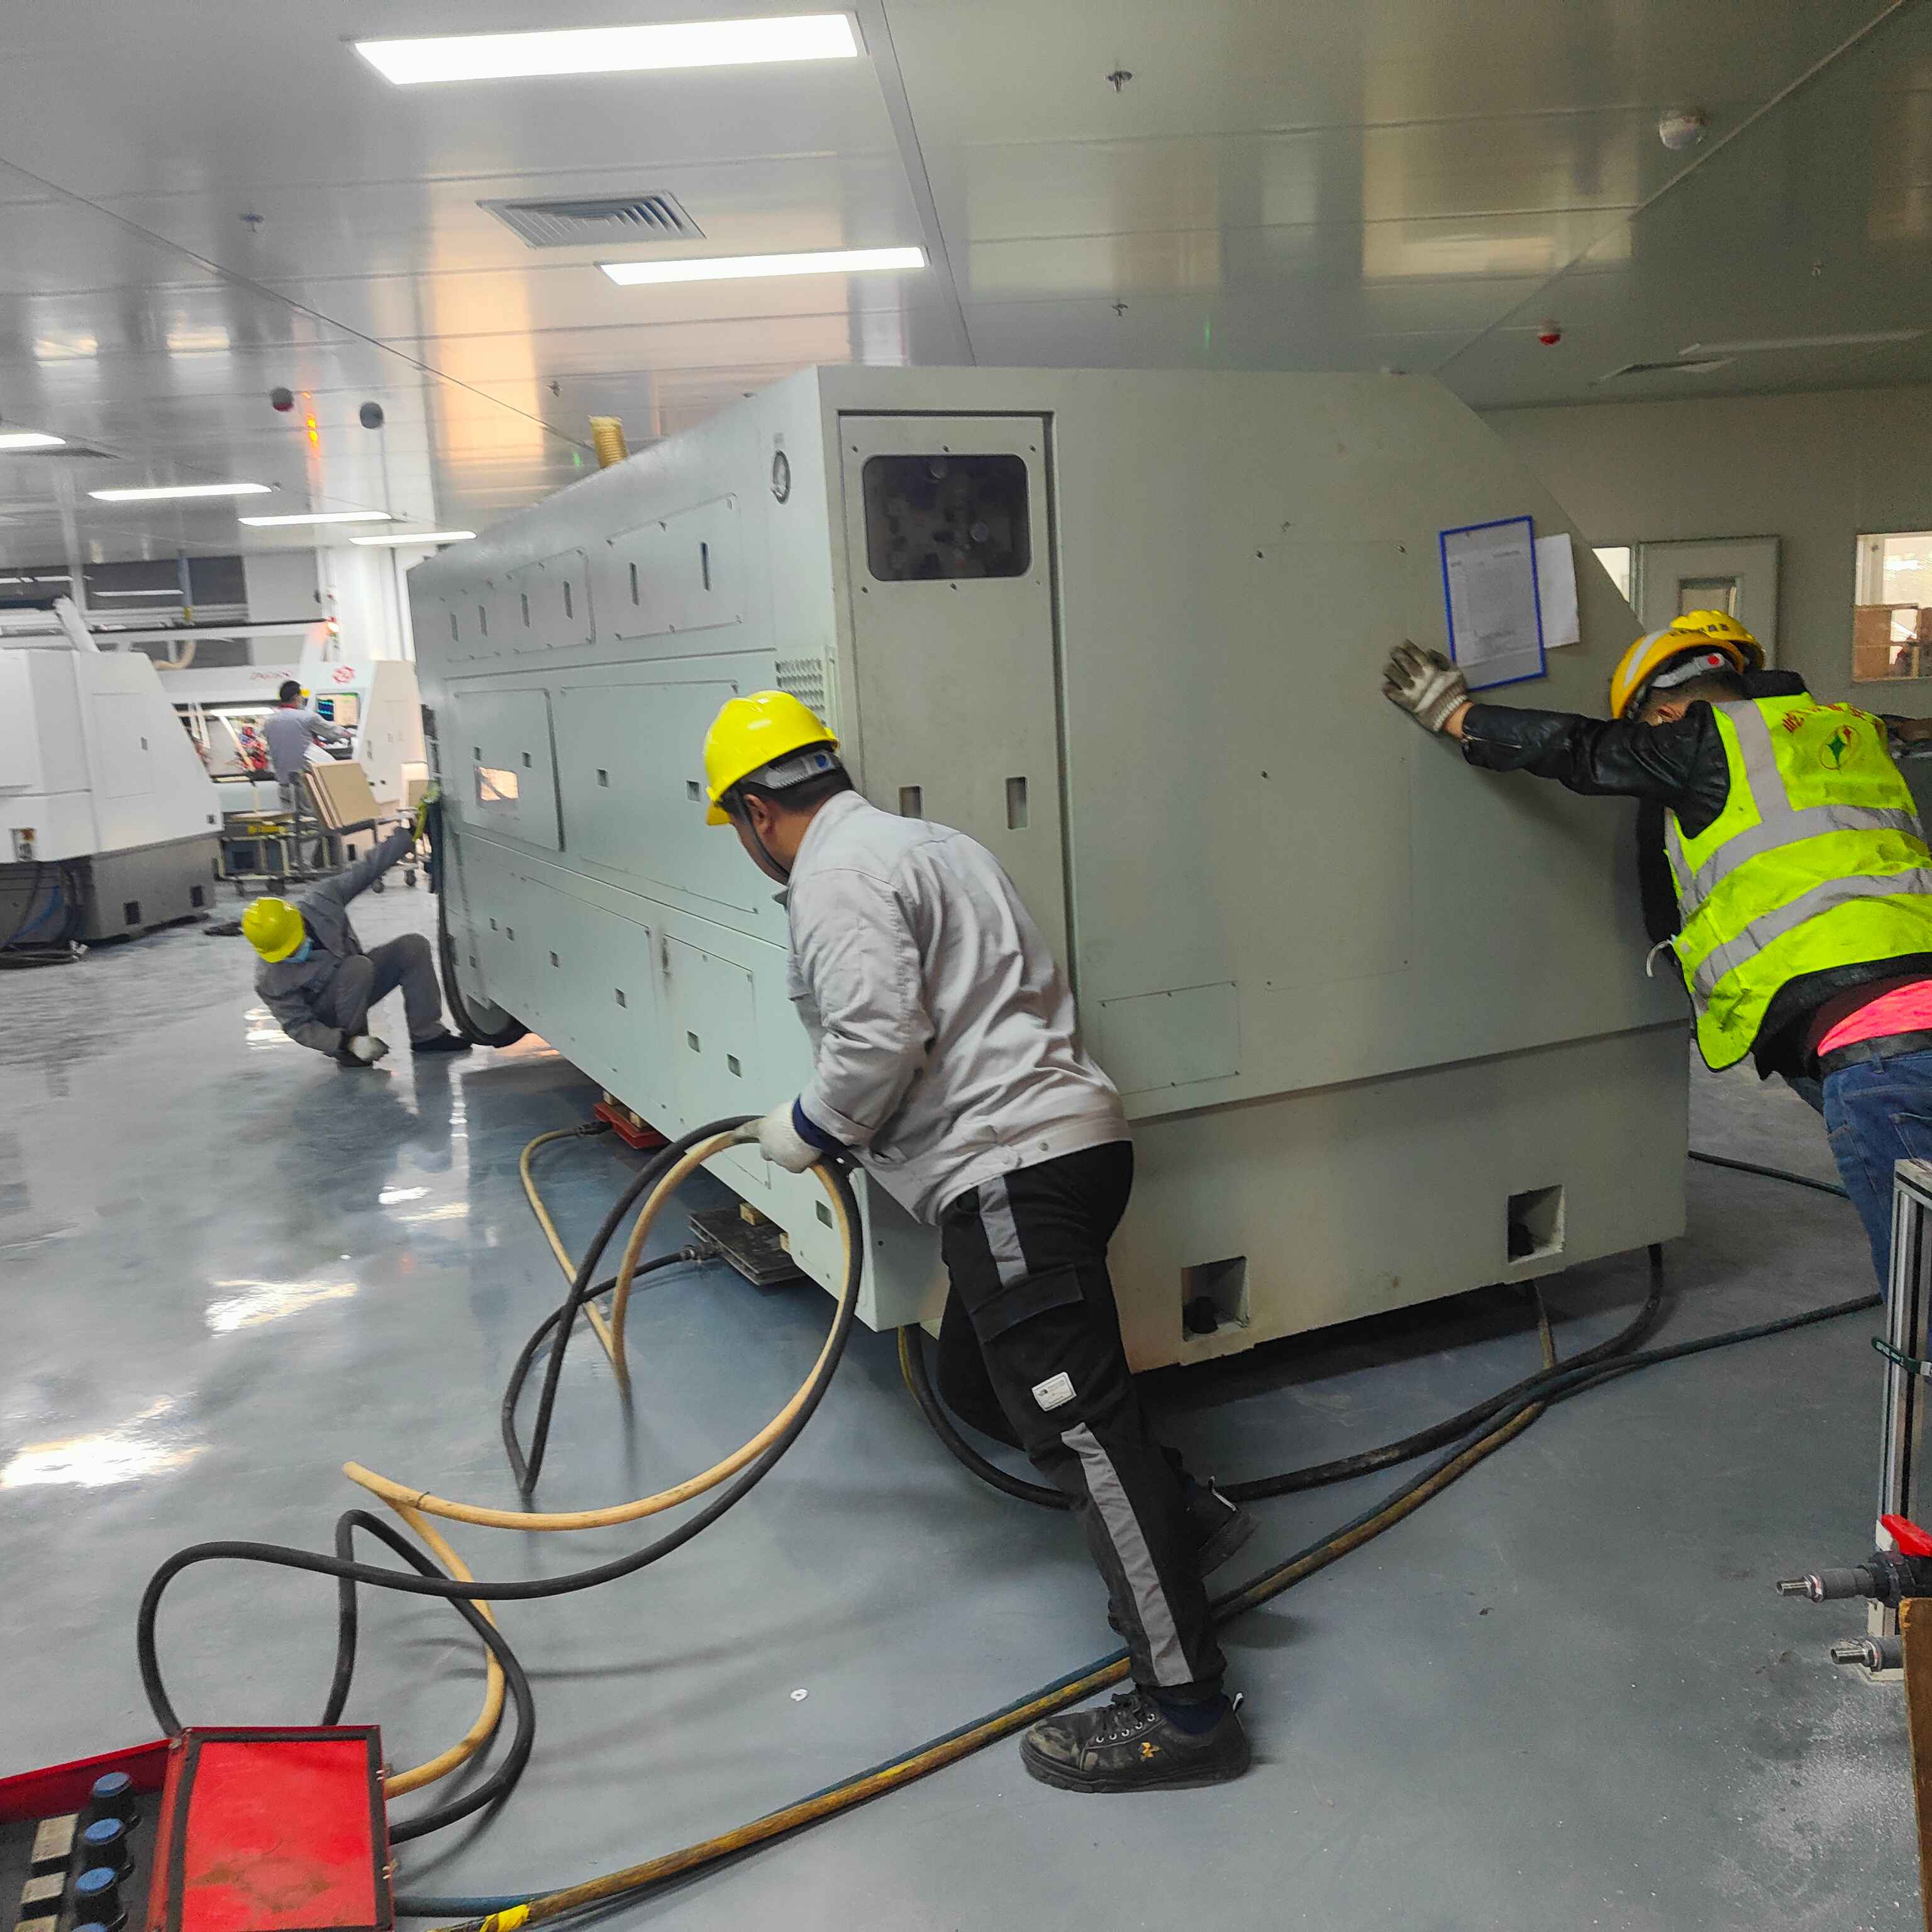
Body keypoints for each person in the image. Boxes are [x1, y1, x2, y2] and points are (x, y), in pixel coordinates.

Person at [702, 690, 1252, 1792]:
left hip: (1006, 1170)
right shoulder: (933, 844)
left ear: (759, 812)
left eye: (741, 826)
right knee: (975, 1378)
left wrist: (806, 1127)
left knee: (1080, 1434)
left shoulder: (835, 877)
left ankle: (1185, 1709)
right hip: (1072, 1150)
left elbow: (877, 1037)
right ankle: (1179, 1515)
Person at [1382, 611, 1932, 1284]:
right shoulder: (1848, 729)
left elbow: (1578, 748)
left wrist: (1455, 713)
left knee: (1922, 1294)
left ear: (1665, 715)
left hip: (1880, 1049)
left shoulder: (1705, 739)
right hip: (1899, 1014)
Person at [242, 823, 470, 1067]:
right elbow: (299, 1026)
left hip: (358, 980)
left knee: (413, 947)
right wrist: (346, 1043)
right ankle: (355, 1049)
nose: (292, 955)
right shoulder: (270, 978)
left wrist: (408, 835)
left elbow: (367, 869)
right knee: (357, 967)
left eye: (293, 947)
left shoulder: (322, 901)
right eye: (286, 954)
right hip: (329, 1020)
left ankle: (427, 1035)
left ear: (298, 923)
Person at [262, 680, 350, 806]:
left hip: (284, 785)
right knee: (313, 816)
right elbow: (333, 732)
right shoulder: (307, 717)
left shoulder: (269, 722)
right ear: (297, 697)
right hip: (305, 783)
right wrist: (350, 733)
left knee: (291, 817)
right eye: (301, 696)